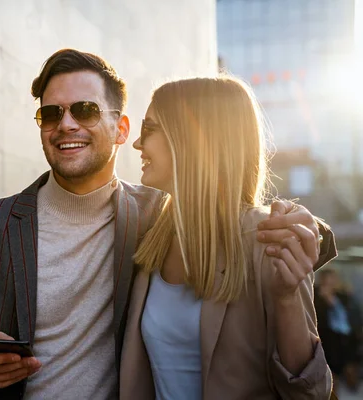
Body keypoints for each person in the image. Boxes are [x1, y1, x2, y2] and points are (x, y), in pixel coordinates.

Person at [0, 49, 337, 399]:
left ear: (121, 130)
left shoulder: (149, 215)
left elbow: (241, 219)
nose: (66, 125)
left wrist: (302, 225)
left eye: (86, 110)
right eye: (51, 113)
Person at [120, 76, 336, 399]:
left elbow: (309, 394)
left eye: (149, 129)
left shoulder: (267, 241)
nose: (137, 143)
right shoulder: (152, 237)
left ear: (191, 140)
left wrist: (287, 297)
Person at [315, 268, 362, 393]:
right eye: (327, 281)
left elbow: (350, 318)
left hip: (345, 341)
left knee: (349, 371)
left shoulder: (343, 296)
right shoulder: (314, 297)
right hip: (326, 342)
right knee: (331, 378)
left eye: (332, 281)